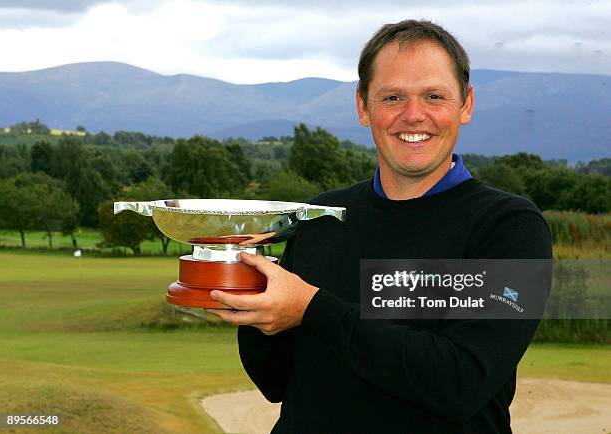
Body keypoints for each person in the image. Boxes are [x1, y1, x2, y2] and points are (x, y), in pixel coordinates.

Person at [207, 19, 552, 433]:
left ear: (465, 105)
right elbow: (276, 381)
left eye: (434, 96)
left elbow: (461, 383)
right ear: (363, 106)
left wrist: (311, 308)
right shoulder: (320, 217)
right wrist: (254, 303)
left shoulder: (509, 226)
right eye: (392, 97)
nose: (413, 115)